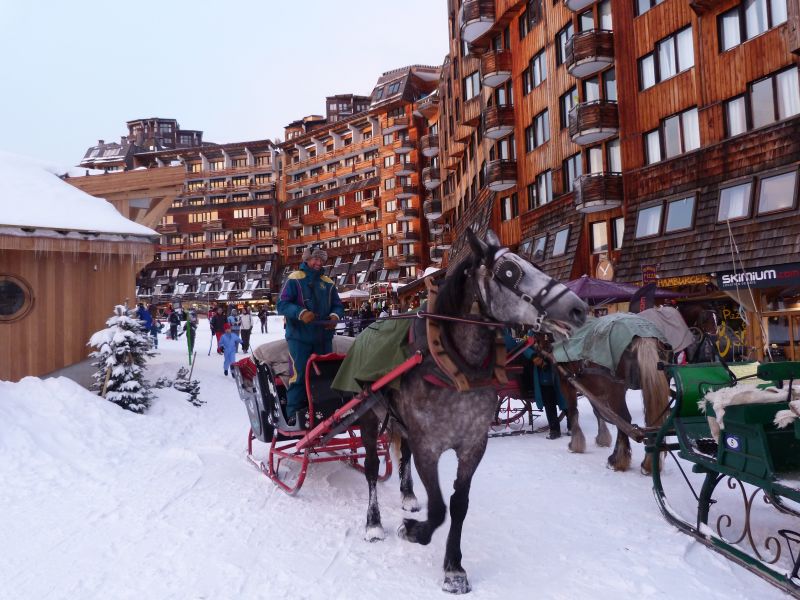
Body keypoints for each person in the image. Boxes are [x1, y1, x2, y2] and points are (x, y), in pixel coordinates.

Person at [277, 245, 344, 425]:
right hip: (299, 338)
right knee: (299, 374)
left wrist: (334, 317)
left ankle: (323, 410)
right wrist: (301, 313)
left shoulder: (328, 282)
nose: (318, 263)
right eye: (315, 259)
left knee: (324, 376)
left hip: (323, 338)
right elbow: (281, 305)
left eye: (321, 260)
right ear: (306, 259)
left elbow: (338, 306)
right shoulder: (294, 279)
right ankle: (294, 414)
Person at [504, 331, 566, 439]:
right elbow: (525, 344)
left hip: (558, 368)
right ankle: (555, 429)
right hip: (544, 372)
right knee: (549, 400)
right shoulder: (533, 332)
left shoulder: (555, 330)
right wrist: (534, 357)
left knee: (564, 397)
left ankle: (571, 425)